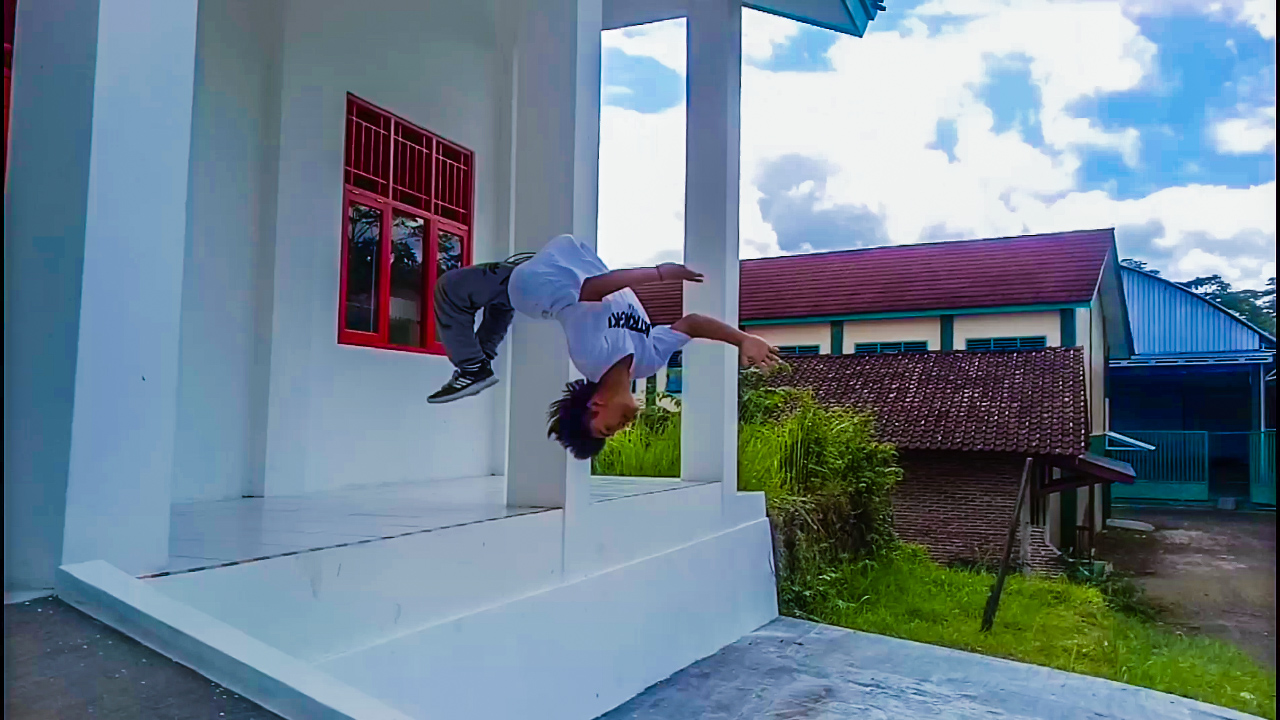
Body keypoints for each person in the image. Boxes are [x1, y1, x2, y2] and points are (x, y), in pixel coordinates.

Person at [428, 234, 781, 459]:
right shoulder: (648, 361)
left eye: (608, 428)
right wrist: (741, 339)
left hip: (529, 282)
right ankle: (482, 360)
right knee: (497, 308)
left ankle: (473, 368)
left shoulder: (590, 355)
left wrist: (659, 273)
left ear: (595, 404)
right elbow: (691, 324)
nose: (622, 426)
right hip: (541, 275)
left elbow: (593, 289)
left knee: (450, 290)